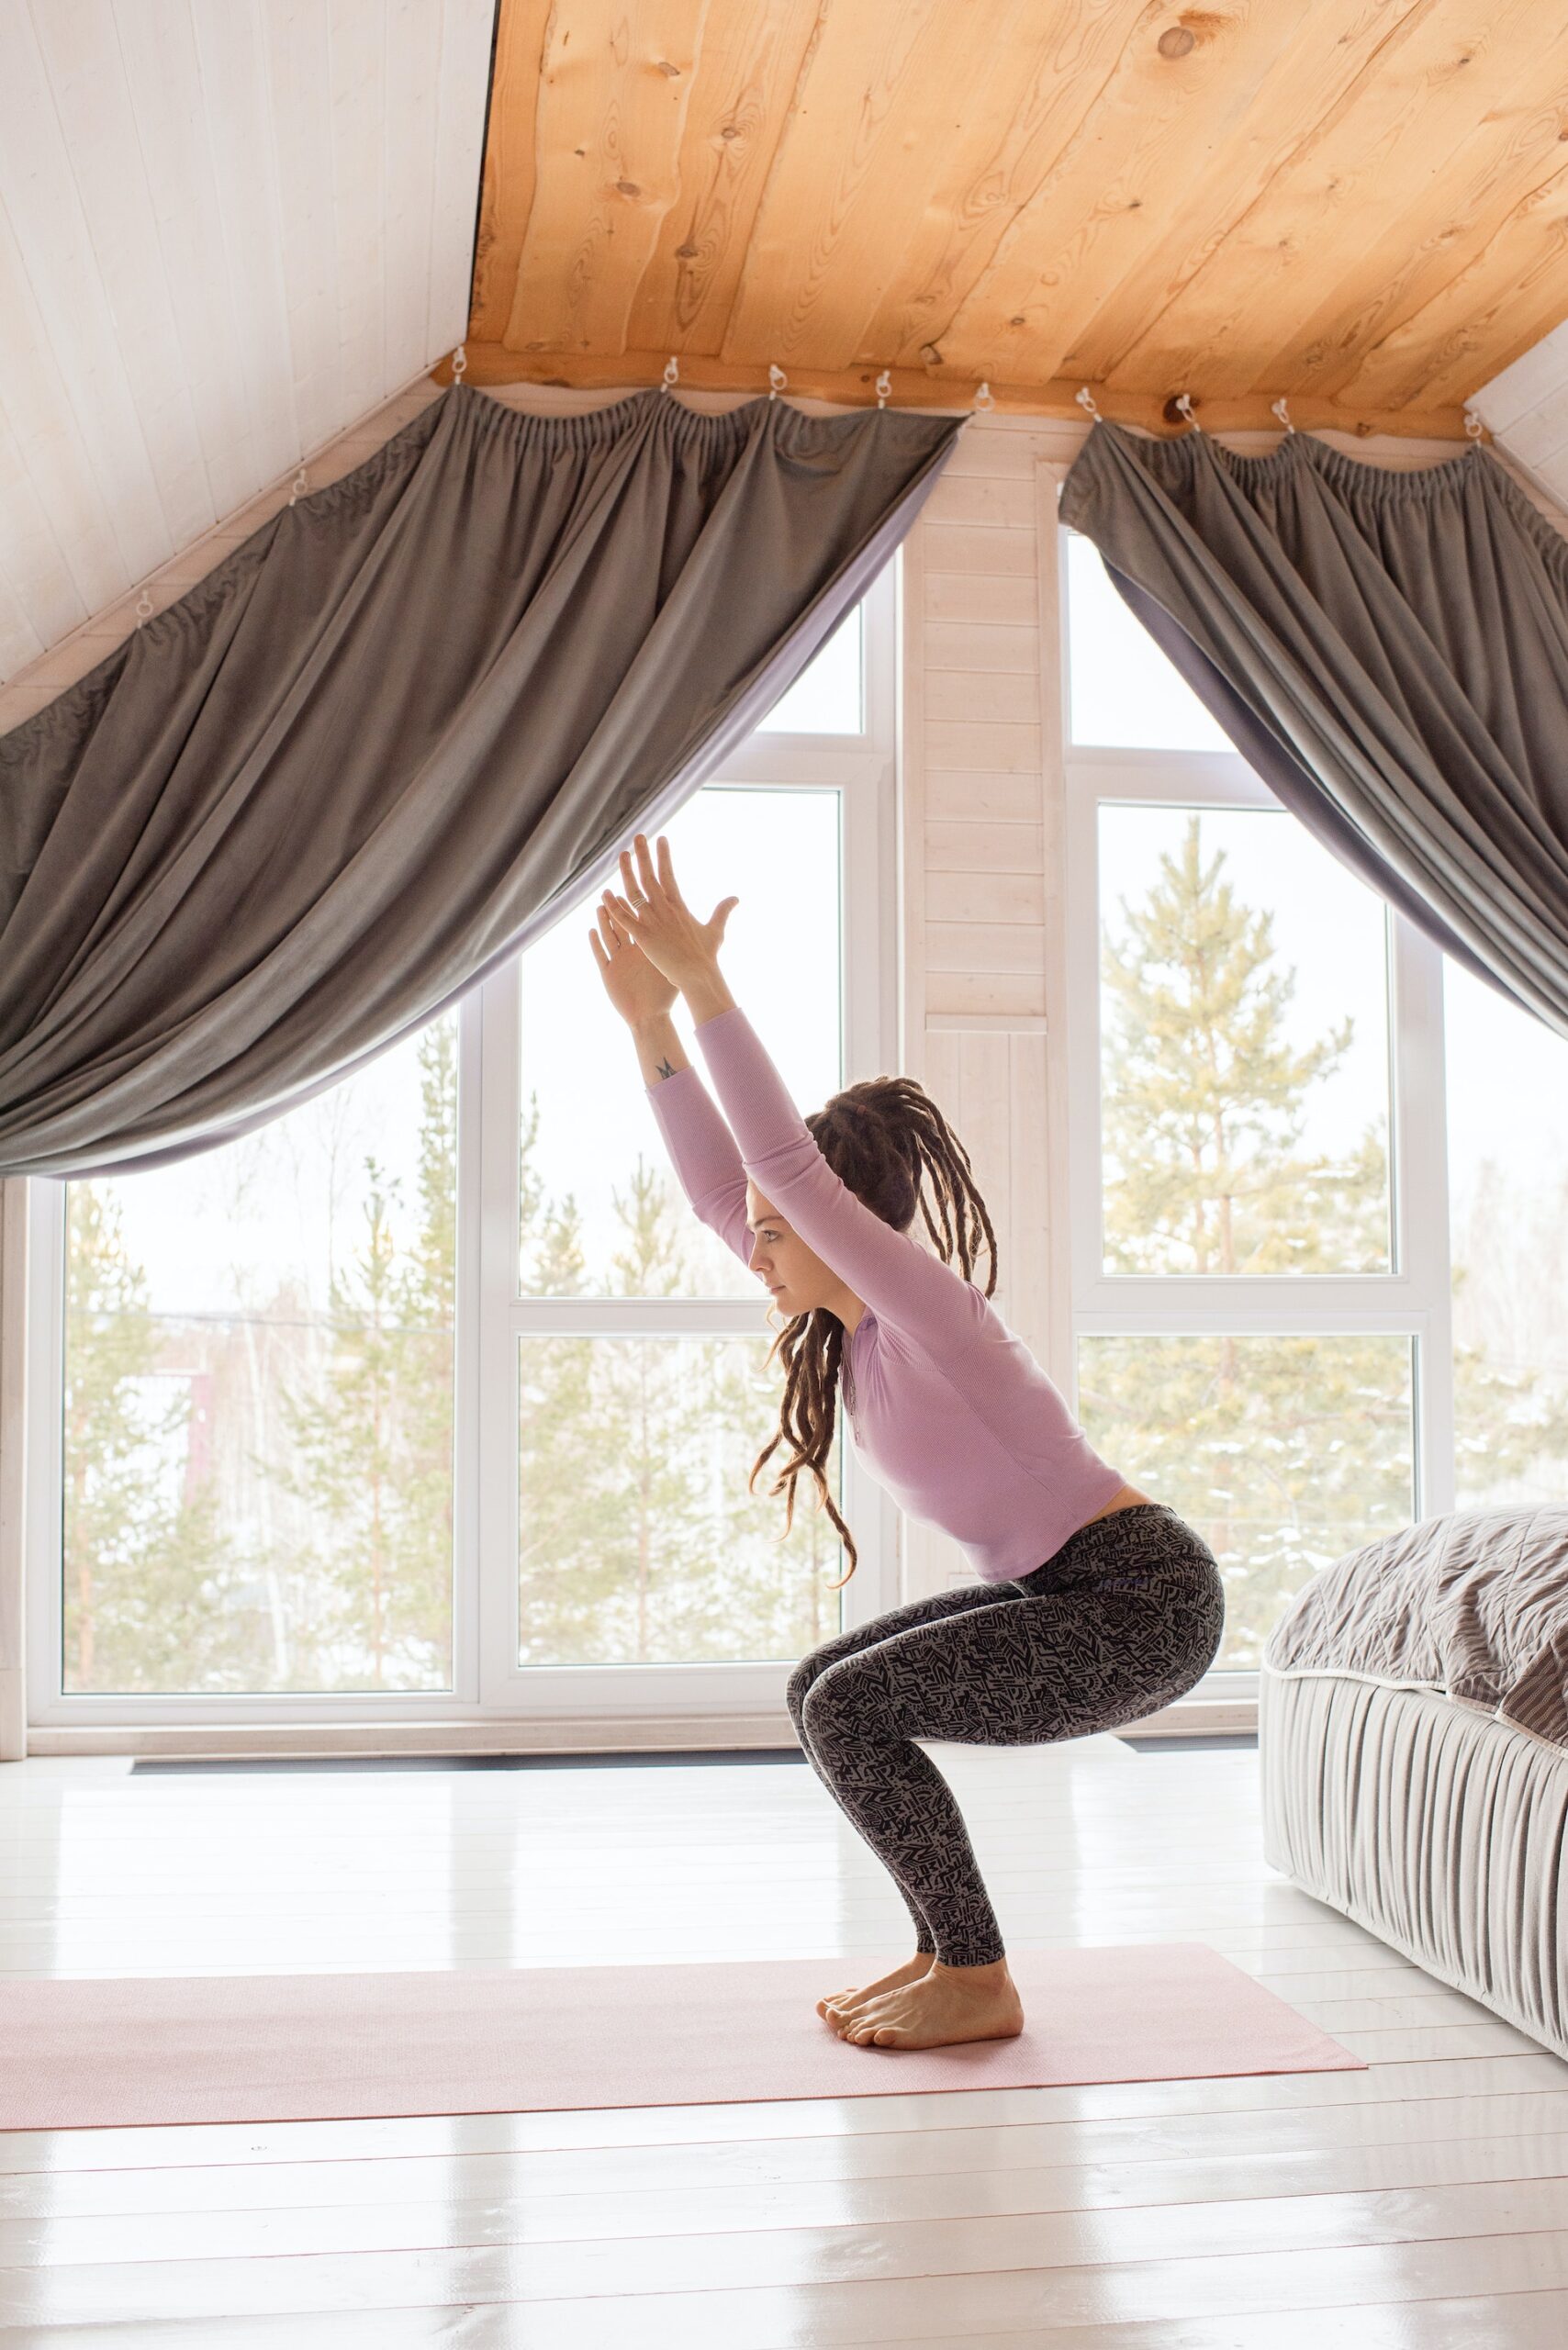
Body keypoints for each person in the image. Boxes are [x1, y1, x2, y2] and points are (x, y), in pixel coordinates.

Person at [589, 830, 1226, 2053]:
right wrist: (647, 1029)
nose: (756, 1249)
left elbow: (778, 1170)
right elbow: (733, 1190)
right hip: (1068, 1592)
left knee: (848, 1710)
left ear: (843, 1225)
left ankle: (977, 1977)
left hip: (1140, 1598)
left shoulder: (931, 1316)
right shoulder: (853, 1329)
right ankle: (948, 1953)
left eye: (781, 1233)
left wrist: (708, 990)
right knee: (820, 1695)